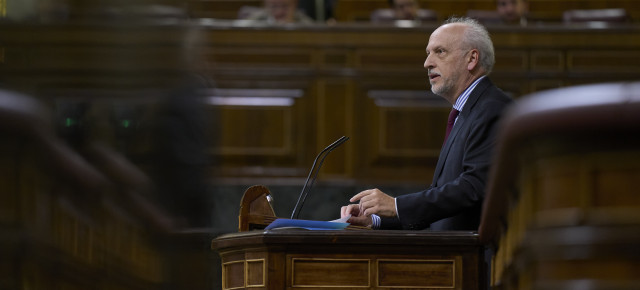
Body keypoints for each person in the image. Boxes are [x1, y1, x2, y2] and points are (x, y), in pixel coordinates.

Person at [340, 16, 512, 231]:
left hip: (473, 258)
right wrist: (376, 219)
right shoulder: (468, 110)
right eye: (428, 53)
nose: (427, 63)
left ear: (472, 59)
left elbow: (474, 187)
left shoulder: (492, 109)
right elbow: (442, 210)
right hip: (451, 254)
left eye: (440, 52)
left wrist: (396, 205)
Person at [246, 0, 314, 24]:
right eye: (274, 6)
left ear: (295, 4)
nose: (279, 12)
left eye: (285, 6)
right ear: (266, 4)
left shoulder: (308, 26)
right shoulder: (252, 24)